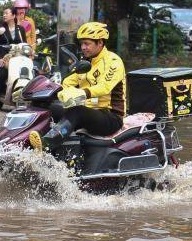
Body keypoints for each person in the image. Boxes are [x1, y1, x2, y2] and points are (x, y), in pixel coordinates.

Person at [29, 22, 125, 151]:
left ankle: (46, 145)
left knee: (77, 112)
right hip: (88, 110)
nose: (83, 47)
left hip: (110, 116)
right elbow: (68, 81)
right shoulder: (85, 63)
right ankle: (23, 139)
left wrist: (82, 93)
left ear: (100, 43)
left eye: (87, 43)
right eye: (82, 43)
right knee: (47, 108)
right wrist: (52, 90)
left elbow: (105, 87)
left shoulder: (113, 61)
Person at [0, 6, 27, 112]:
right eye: (4, 13)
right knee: (3, 74)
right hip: (3, 57)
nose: (4, 15)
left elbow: (24, 45)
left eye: (7, 13)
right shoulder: (0, 28)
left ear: (13, 15)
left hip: (17, 58)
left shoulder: (21, 29)